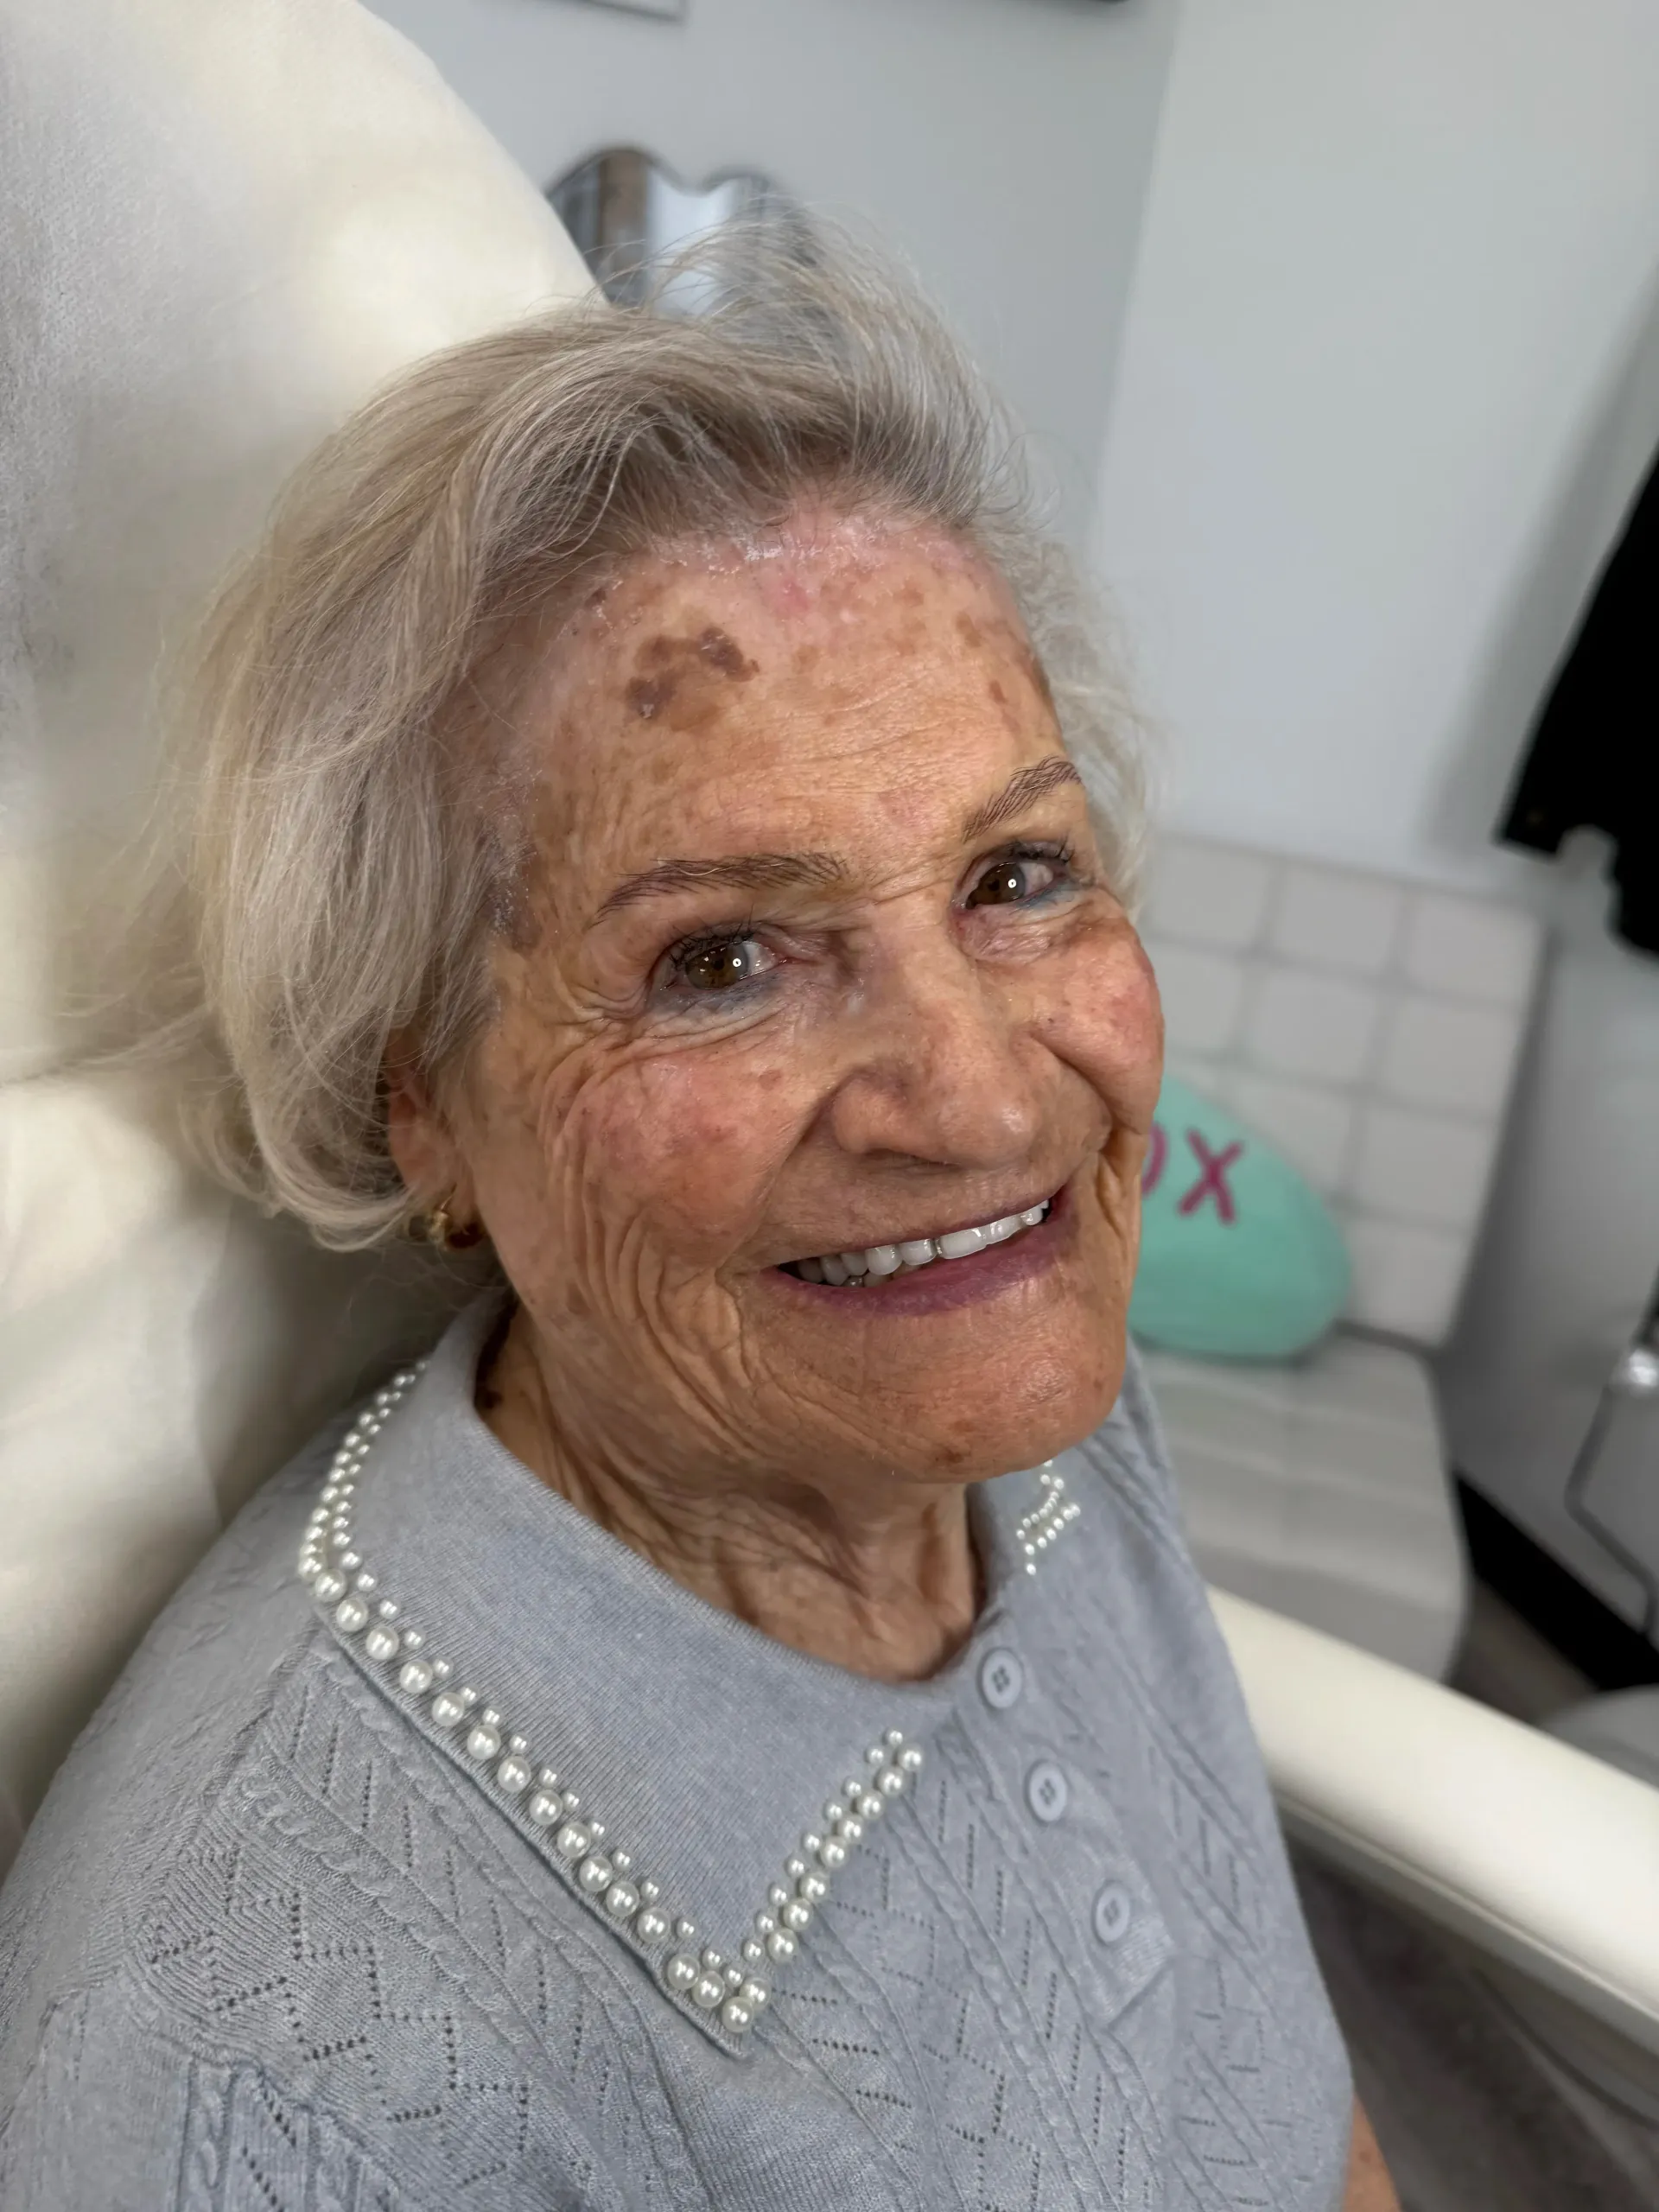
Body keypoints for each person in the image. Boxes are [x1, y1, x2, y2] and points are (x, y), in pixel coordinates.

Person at [0, 238, 1395, 2210]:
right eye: (722, 954)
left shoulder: (1016, 1379)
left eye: (1018, 873)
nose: (990, 1103)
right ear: (418, 1100)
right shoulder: (266, 2072)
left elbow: (1282, 2094)